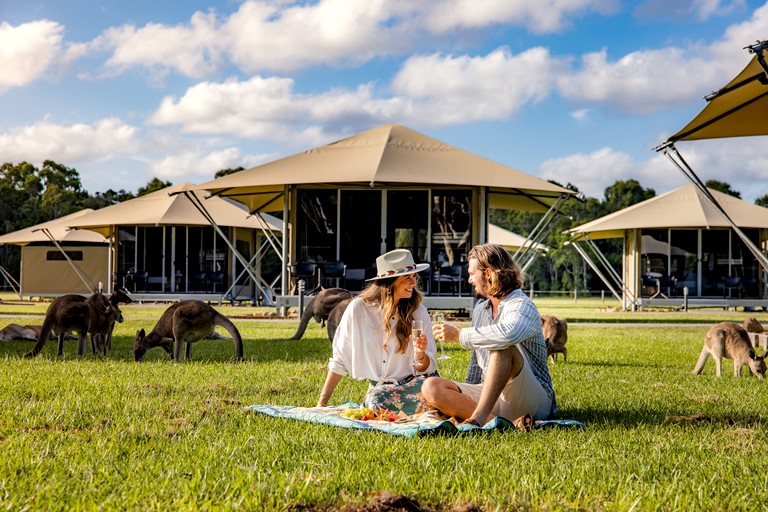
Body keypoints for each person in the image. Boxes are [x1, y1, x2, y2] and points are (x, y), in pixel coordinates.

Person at [423, 243, 556, 426]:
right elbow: (476, 365)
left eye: (471, 273)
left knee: (502, 346)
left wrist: (461, 335)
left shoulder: (521, 305)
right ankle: (498, 423)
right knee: (431, 386)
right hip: (492, 397)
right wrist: (463, 395)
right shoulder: (480, 309)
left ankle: (478, 419)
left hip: (531, 400)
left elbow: (509, 334)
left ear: (487, 274)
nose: (469, 280)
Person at [317, 249, 438, 412]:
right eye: (407, 278)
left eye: (414, 277)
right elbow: (340, 359)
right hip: (380, 393)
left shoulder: (418, 311)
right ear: (390, 282)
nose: (413, 283)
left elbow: (427, 367)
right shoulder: (359, 309)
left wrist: (421, 354)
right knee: (376, 403)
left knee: (439, 398)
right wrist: (321, 404)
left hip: (417, 384)